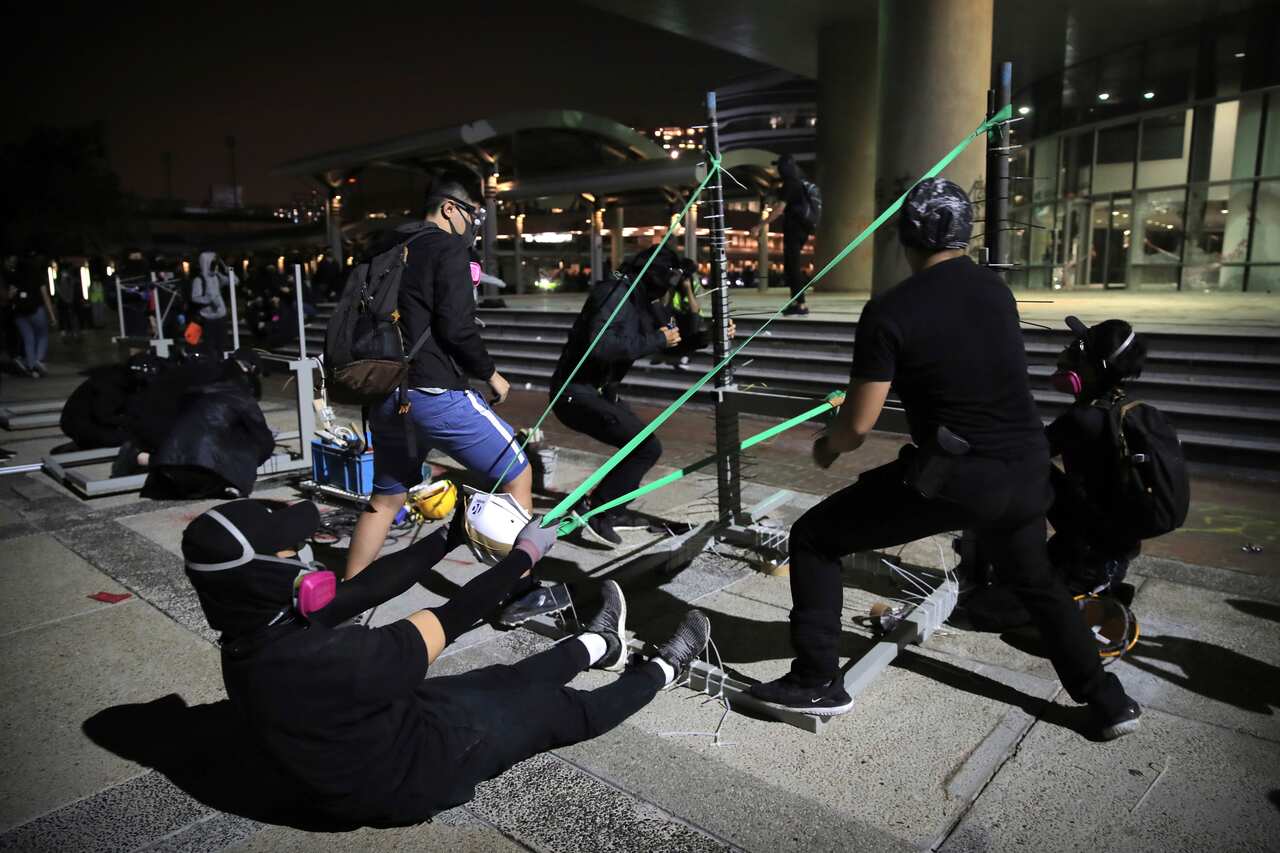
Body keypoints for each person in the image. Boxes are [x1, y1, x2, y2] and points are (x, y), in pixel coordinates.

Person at [748, 178, 1141, 741]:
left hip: (961, 476)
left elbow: (857, 426)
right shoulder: (994, 292)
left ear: (904, 234)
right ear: (963, 232)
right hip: (1029, 469)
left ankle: (816, 678)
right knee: (1038, 585)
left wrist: (826, 444)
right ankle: (1108, 700)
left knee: (814, 537)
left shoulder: (889, 311)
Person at [180, 498, 711, 827]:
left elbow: (369, 585)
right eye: (288, 552)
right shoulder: (326, 658)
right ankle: (664, 669)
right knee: (560, 714)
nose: (307, 555)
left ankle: (600, 646)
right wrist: (526, 555)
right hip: (404, 782)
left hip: (381, 739)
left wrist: (449, 534)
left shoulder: (255, 630)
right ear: (257, 577)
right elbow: (456, 614)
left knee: (502, 679)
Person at [345, 175, 530, 581]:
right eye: (472, 214)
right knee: (516, 473)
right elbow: (457, 327)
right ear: (449, 208)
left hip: (385, 390)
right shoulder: (447, 248)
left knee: (387, 498)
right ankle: (512, 589)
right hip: (433, 390)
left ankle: (348, 592)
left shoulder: (388, 246)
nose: (474, 224)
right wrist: (491, 375)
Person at [550, 245, 684, 546]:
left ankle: (611, 507)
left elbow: (674, 335)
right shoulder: (613, 294)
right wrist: (657, 338)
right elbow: (602, 345)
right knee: (645, 446)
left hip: (600, 392)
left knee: (643, 446)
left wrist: (711, 333)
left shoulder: (640, 298)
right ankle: (598, 511)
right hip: (574, 393)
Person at [774, 154, 816, 316]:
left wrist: (760, 225)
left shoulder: (790, 184)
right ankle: (797, 302)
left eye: (779, 166)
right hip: (801, 229)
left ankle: (801, 304)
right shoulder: (797, 183)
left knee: (793, 266)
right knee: (791, 266)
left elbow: (779, 209)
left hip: (794, 230)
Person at [10, 253, 57, 376]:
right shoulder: (37, 275)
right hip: (35, 310)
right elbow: (45, 296)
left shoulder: (15, 276)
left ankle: (31, 367)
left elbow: (11, 294)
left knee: (28, 339)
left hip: (19, 313)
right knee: (42, 335)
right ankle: (39, 360)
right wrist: (51, 315)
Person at [190, 251, 230, 353]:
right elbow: (195, 298)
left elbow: (235, 281)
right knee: (210, 346)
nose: (215, 267)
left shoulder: (216, 277)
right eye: (212, 264)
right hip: (208, 318)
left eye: (215, 264)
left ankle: (222, 364)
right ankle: (212, 365)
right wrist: (209, 299)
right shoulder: (199, 280)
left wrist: (226, 270)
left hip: (221, 316)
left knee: (222, 345)